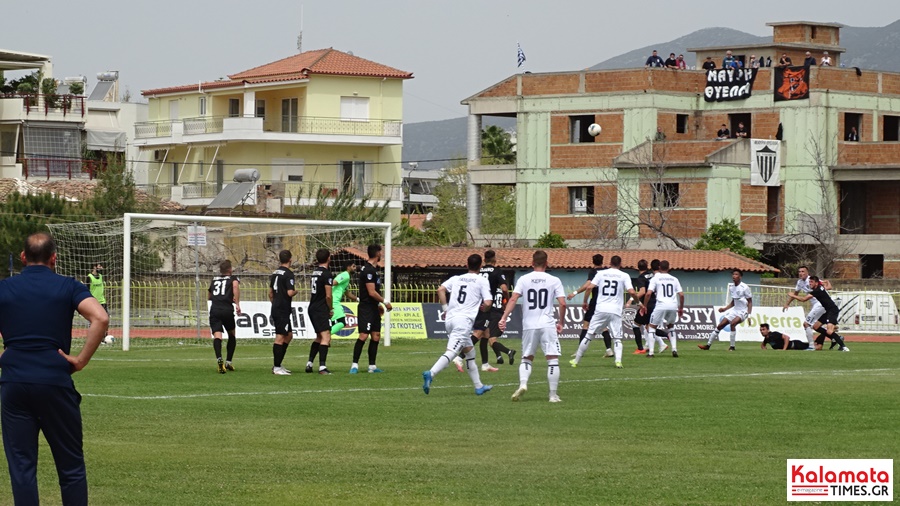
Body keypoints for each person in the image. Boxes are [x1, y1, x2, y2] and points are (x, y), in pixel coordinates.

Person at [0, 232, 109, 506]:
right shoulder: (68, 286)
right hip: (54, 381)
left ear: (23, 257)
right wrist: (81, 360)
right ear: (54, 258)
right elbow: (101, 317)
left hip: (13, 384)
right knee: (70, 466)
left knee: (22, 468)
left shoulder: (4, 288)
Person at [499, 250, 566, 402]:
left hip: (529, 324)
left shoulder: (524, 279)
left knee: (527, 358)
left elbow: (513, 299)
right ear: (547, 263)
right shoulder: (554, 280)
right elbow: (562, 303)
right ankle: (553, 395)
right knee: (552, 358)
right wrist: (561, 322)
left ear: (532, 263)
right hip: (547, 324)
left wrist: (503, 318)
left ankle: (523, 384)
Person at [422, 254, 493, 396]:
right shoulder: (481, 280)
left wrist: (445, 309)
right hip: (463, 322)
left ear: (467, 265)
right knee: (452, 352)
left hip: (450, 319)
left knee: (470, 352)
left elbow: (440, 290)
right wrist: (484, 308)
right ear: (481, 266)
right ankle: (431, 373)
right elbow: (488, 302)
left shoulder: (456, 279)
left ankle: (479, 386)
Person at [568, 256, 639, 369]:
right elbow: (632, 292)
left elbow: (589, 287)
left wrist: (585, 301)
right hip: (615, 310)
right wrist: (638, 302)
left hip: (600, 309)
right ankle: (618, 361)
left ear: (610, 263)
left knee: (589, 335)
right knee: (617, 338)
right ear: (620, 264)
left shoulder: (601, 274)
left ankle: (576, 361)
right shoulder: (624, 275)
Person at [471, 250, 516, 372]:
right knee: (483, 335)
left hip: (478, 306)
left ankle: (487, 362)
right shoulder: (497, 272)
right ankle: (460, 356)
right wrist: (506, 299)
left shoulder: (479, 271)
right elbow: (505, 288)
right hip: (491, 308)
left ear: (484, 260)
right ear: (495, 260)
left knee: (485, 335)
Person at [353, 244, 392, 373]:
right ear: (377, 254)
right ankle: (354, 365)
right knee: (364, 335)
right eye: (381, 252)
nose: (381, 255)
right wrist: (385, 302)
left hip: (374, 307)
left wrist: (378, 305)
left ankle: (372, 366)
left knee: (375, 336)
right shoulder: (368, 270)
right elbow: (371, 292)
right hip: (366, 308)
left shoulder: (373, 269)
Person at [312, 262, 358, 372]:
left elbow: (347, 294)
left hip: (334, 303)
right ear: (348, 267)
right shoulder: (345, 275)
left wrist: (357, 299)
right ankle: (327, 337)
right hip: (334, 303)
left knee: (327, 330)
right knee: (342, 322)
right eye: (353, 266)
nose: (355, 268)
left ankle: (311, 360)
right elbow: (333, 282)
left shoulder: (347, 278)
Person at [788, 276, 849, 352]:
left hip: (832, 310)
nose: (810, 284)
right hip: (827, 311)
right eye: (809, 282)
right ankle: (835, 338)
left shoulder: (816, 291)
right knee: (816, 327)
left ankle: (843, 346)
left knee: (829, 331)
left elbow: (803, 299)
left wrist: (792, 295)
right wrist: (827, 281)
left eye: (811, 282)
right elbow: (829, 287)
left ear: (816, 283)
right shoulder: (820, 286)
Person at [699, 270, 753, 351]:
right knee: (720, 326)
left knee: (733, 323)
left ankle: (732, 347)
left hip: (743, 311)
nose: (734, 276)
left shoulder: (744, 287)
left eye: (736, 274)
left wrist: (749, 315)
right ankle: (708, 345)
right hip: (735, 310)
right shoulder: (731, 287)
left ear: (740, 277)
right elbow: (734, 301)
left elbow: (750, 302)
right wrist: (725, 309)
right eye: (733, 274)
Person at [641, 260, 683, 358]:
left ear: (659, 267)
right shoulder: (674, 279)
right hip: (673, 305)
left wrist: (644, 305)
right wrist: (681, 308)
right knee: (671, 327)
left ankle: (651, 352)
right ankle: (674, 349)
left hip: (661, 305)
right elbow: (681, 295)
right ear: (668, 268)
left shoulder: (656, 278)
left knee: (651, 328)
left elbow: (648, 293)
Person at [575, 254, 613, 358]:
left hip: (595, 301)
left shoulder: (593, 272)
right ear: (602, 261)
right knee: (604, 326)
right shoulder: (606, 271)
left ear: (593, 261)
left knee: (586, 325)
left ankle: (579, 351)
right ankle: (609, 349)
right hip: (605, 302)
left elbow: (588, 286)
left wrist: (580, 297)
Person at [208, 259, 241, 373]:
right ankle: (228, 362)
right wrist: (237, 303)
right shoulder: (233, 279)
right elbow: (235, 287)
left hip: (215, 309)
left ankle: (219, 359)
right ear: (230, 269)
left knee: (218, 336)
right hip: (227, 309)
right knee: (232, 334)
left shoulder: (214, 279)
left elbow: (209, 296)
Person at [306, 248, 334, 375]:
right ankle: (322, 367)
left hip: (312, 307)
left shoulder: (315, 272)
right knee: (326, 336)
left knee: (319, 337)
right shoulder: (326, 274)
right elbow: (328, 296)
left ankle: (309, 363)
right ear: (328, 258)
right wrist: (330, 308)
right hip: (320, 308)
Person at [782, 265, 824, 350]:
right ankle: (836, 337)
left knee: (806, 324)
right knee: (816, 326)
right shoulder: (800, 282)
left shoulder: (812, 280)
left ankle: (811, 346)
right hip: (817, 305)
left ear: (807, 272)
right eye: (799, 272)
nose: (801, 273)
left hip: (820, 304)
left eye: (803, 271)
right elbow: (795, 294)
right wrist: (787, 304)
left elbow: (826, 286)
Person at [269, 249, 297, 375]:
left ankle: (279, 363)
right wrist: (296, 291)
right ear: (290, 259)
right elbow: (290, 292)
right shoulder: (288, 274)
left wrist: (275, 303)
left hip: (277, 306)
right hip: (282, 308)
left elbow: (270, 293)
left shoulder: (275, 273)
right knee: (280, 337)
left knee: (289, 335)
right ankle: (276, 367)